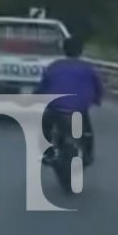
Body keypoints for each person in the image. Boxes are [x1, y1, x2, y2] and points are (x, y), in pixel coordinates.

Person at [36, 36, 103, 166]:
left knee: (45, 126)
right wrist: (97, 99)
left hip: (56, 108)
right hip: (79, 108)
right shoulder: (88, 68)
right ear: (81, 51)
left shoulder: (54, 67)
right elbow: (98, 87)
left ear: (63, 50)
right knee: (87, 131)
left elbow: (42, 86)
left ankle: (48, 153)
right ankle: (88, 154)